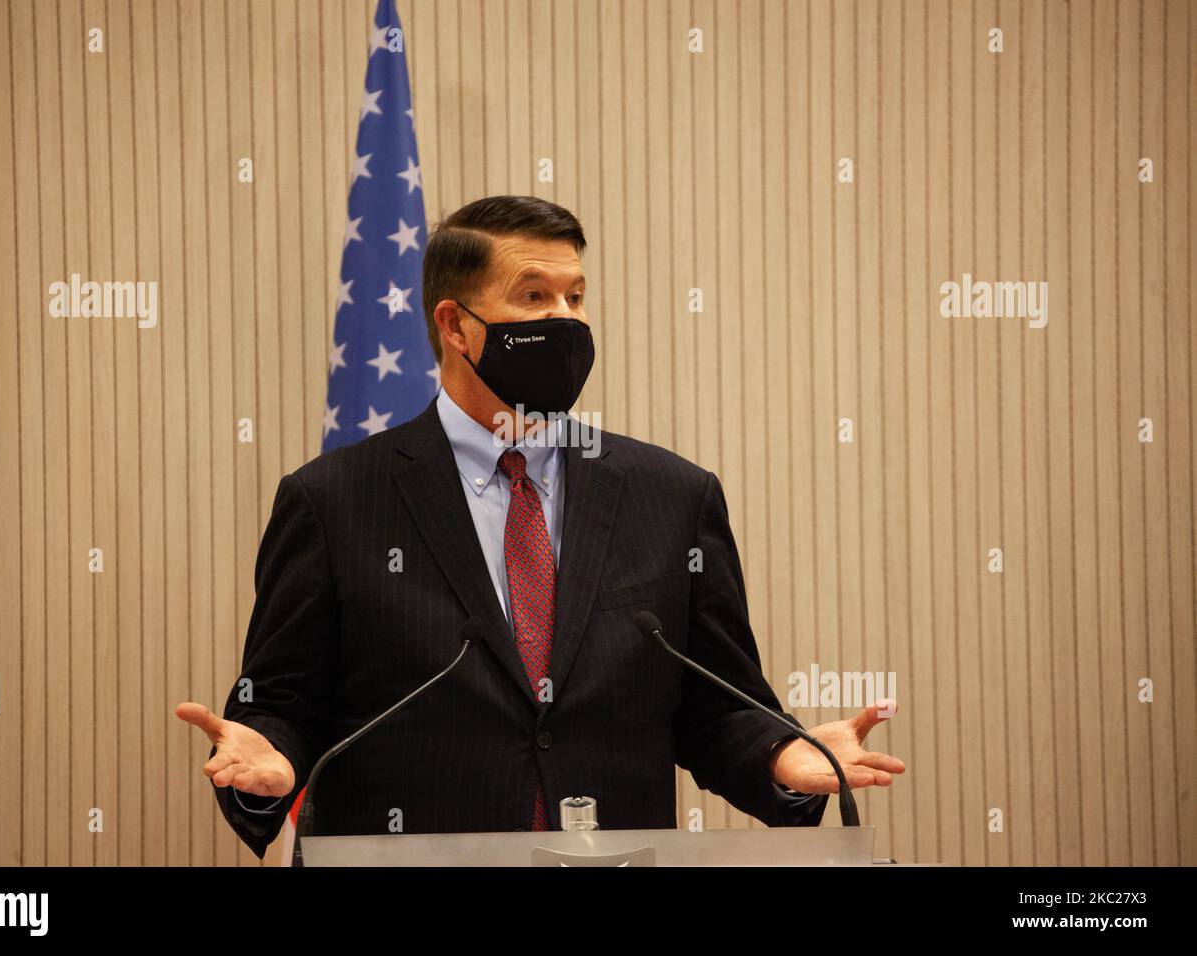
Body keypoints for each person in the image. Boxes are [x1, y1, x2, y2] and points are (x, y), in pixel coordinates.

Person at [176, 195, 904, 859]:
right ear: (455, 325)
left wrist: (789, 755)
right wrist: (267, 757)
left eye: (576, 296)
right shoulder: (333, 500)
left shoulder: (672, 495)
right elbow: (284, 703)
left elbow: (716, 705)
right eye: (535, 296)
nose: (568, 319)